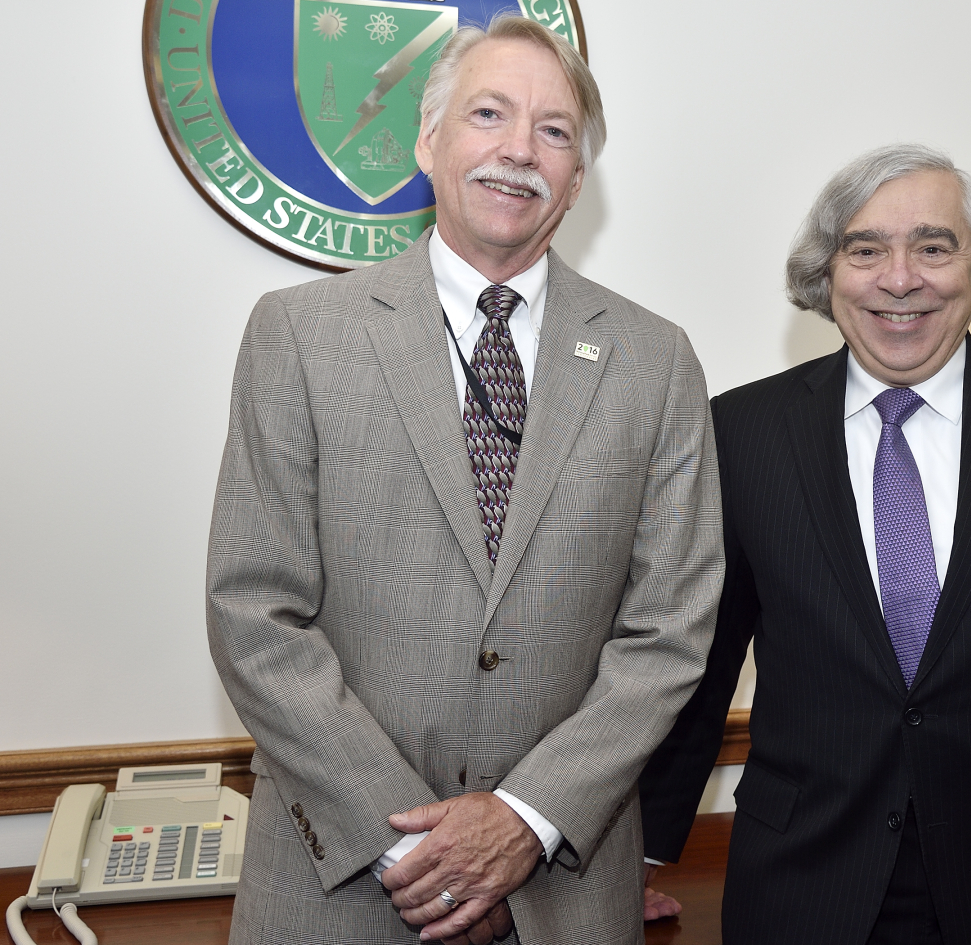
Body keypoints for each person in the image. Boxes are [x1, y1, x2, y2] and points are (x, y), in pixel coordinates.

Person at [206, 16, 722, 945]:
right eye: (490, 113)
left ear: (575, 179)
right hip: (345, 887)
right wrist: (410, 845)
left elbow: (671, 628)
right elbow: (254, 612)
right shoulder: (298, 335)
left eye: (555, 132)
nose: (520, 149)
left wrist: (524, 818)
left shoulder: (657, 359)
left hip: (562, 889)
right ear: (428, 140)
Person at [639, 144, 971, 945]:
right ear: (828, 274)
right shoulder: (740, 433)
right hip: (801, 890)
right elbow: (699, 661)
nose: (901, 278)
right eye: (866, 249)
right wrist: (639, 855)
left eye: (934, 246)